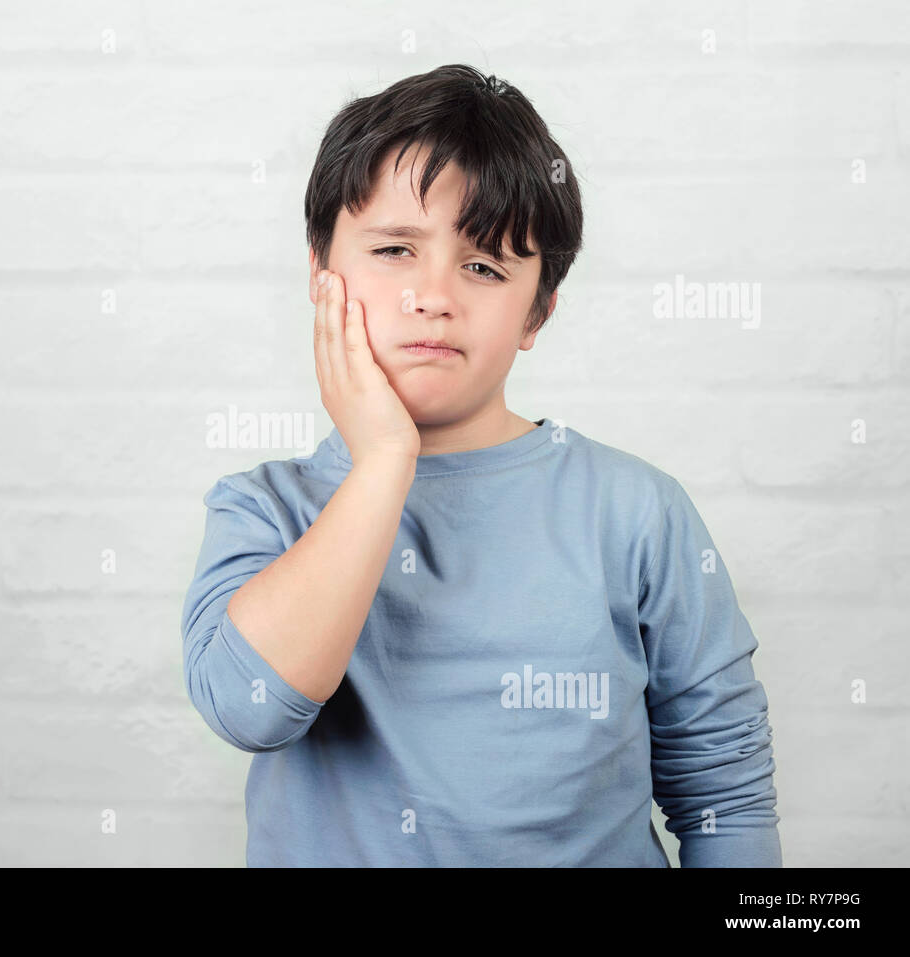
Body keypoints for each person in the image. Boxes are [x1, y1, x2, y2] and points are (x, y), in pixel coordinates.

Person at [180, 64, 782, 867]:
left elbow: (724, 796)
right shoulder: (264, 510)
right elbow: (249, 709)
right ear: (321, 269)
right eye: (395, 249)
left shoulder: (637, 512)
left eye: (484, 267)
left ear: (537, 312)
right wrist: (384, 460)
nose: (433, 296)